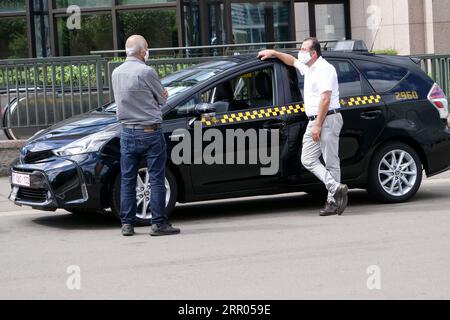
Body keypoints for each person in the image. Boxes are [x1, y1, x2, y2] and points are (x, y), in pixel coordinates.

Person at [257, 37, 348, 216]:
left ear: (314, 53)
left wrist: (317, 126)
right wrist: (274, 53)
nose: (301, 52)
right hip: (315, 120)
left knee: (331, 162)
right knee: (307, 159)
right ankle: (336, 187)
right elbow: (292, 61)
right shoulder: (310, 68)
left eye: (304, 49)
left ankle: (332, 202)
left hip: (326, 119)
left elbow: (325, 99)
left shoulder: (324, 69)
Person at [112, 35, 180, 236]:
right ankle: (159, 224)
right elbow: (162, 98)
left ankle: (127, 224)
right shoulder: (146, 71)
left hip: (126, 132)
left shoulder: (116, 72)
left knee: (128, 178)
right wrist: (162, 94)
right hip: (150, 131)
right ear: (142, 51)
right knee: (157, 178)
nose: (148, 51)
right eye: (147, 48)